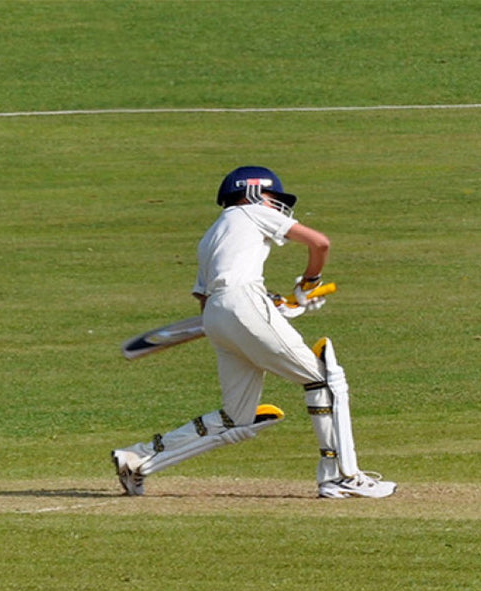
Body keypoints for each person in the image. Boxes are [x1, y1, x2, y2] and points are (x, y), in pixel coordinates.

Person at [111, 166, 397, 499]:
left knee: (236, 418)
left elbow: (209, 299)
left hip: (217, 316)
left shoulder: (211, 236)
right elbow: (320, 243)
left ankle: (138, 457)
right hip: (243, 302)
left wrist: (272, 306)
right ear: (251, 192)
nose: (277, 205)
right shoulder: (251, 211)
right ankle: (341, 477)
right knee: (324, 380)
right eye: (273, 198)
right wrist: (310, 282)